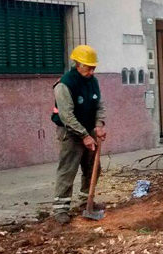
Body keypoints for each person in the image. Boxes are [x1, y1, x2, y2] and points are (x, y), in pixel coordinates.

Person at [51, 45, 107, 224]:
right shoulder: (65, 84)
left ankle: (86, 201)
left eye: (94, 68)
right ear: (77, 64)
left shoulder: (93, 81)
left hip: (88, 129)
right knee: (68, 168)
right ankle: (61, 208)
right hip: (70, 131)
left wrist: (99, 125)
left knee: (93, 168)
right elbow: (66, 115)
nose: (91, 71)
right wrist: (84, 135)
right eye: (88, 67)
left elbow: (99, 105)